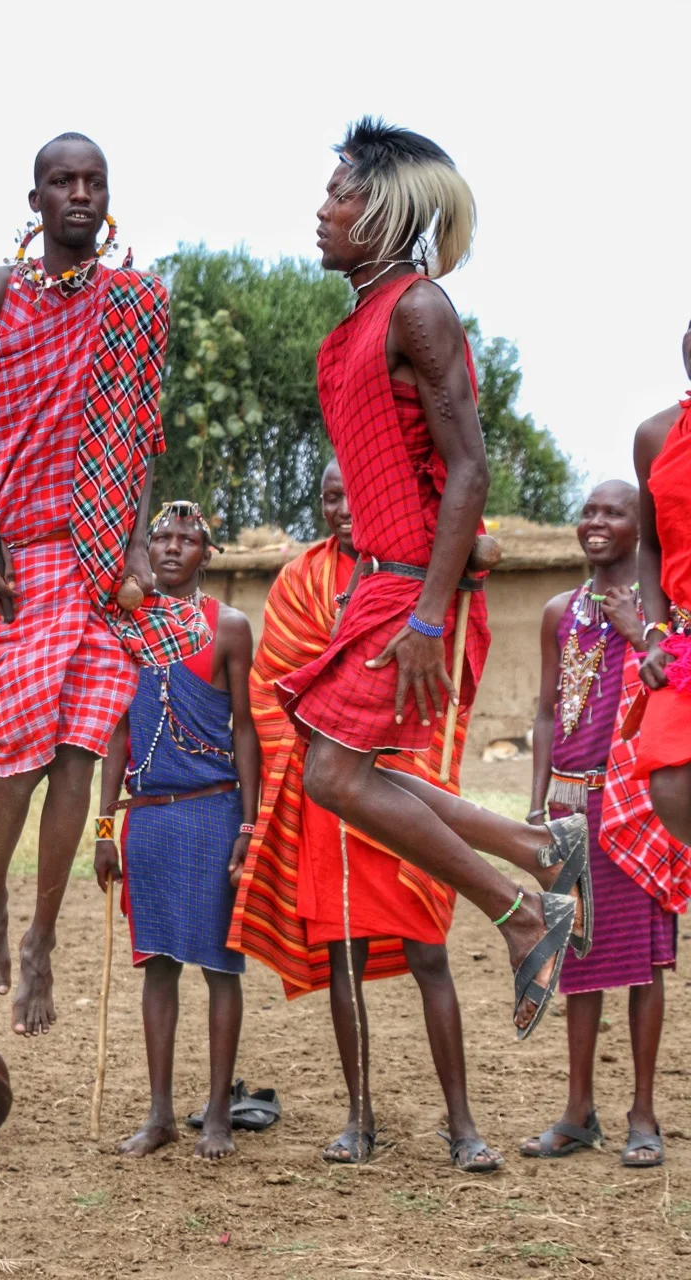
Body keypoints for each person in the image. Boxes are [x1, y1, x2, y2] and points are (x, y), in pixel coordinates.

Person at [276, 116, 588, 1039]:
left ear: (382, 209)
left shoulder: (419, 308)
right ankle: (539, 849)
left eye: (339, 192)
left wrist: (426, 613)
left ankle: (523, 909)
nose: (322, 209)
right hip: (386, 581)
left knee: (333, 775)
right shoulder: (361, 322)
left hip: (412, 586)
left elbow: (470, 471)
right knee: (345, 769)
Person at [0, 133, 206, 1038]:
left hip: (100, 561)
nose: (79, 194)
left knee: (80, 754)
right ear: (36, 198)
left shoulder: (135, 303)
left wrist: (133, 552)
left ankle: (44, 933)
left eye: (93, 182)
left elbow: (135, 443)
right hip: (16, 555)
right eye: (63, 182)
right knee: (21, 750)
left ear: (107, 197)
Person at [230, 460, 498, 1170]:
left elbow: (445, 677)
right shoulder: (298, 582)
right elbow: (272, 695)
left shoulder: (416, 576)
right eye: (328, 497)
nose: (342, 507)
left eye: (355, 493)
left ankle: (463, 1123)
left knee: (430, 954)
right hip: (325, 791)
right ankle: (359, 1118)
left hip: (403, 791)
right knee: (343, 959)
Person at [521, 482, 688, 1168]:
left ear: (639, 530)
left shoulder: (664, 615)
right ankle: (577, 1110)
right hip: (568, 805)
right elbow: (544, 714)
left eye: (613, 512)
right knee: (578, 958)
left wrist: (635, 632)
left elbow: (675, 688)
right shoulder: (559, 612)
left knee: (645, 964)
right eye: (588, 511)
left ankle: (643, 1113)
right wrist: (534, 808)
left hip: (636, 806)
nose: (596, 522)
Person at [94, 502, 259, 1160]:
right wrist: (104, 825)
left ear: (206, 555)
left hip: (214, 811)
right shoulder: (125, 626)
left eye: (186, 539)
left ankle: (217, 1113)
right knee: (157, 969)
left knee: (220, 967)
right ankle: (160, 1114)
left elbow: (246, 727)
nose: (170, 548)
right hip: (150, 820)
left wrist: (250, 822)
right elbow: (116, 730)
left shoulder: (230, 628)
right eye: (160, 537)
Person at [631, 318, 691, 844]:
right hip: (686, 645)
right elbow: (650, 547)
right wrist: (656, 632)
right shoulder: (656, 436)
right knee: (671, 785)